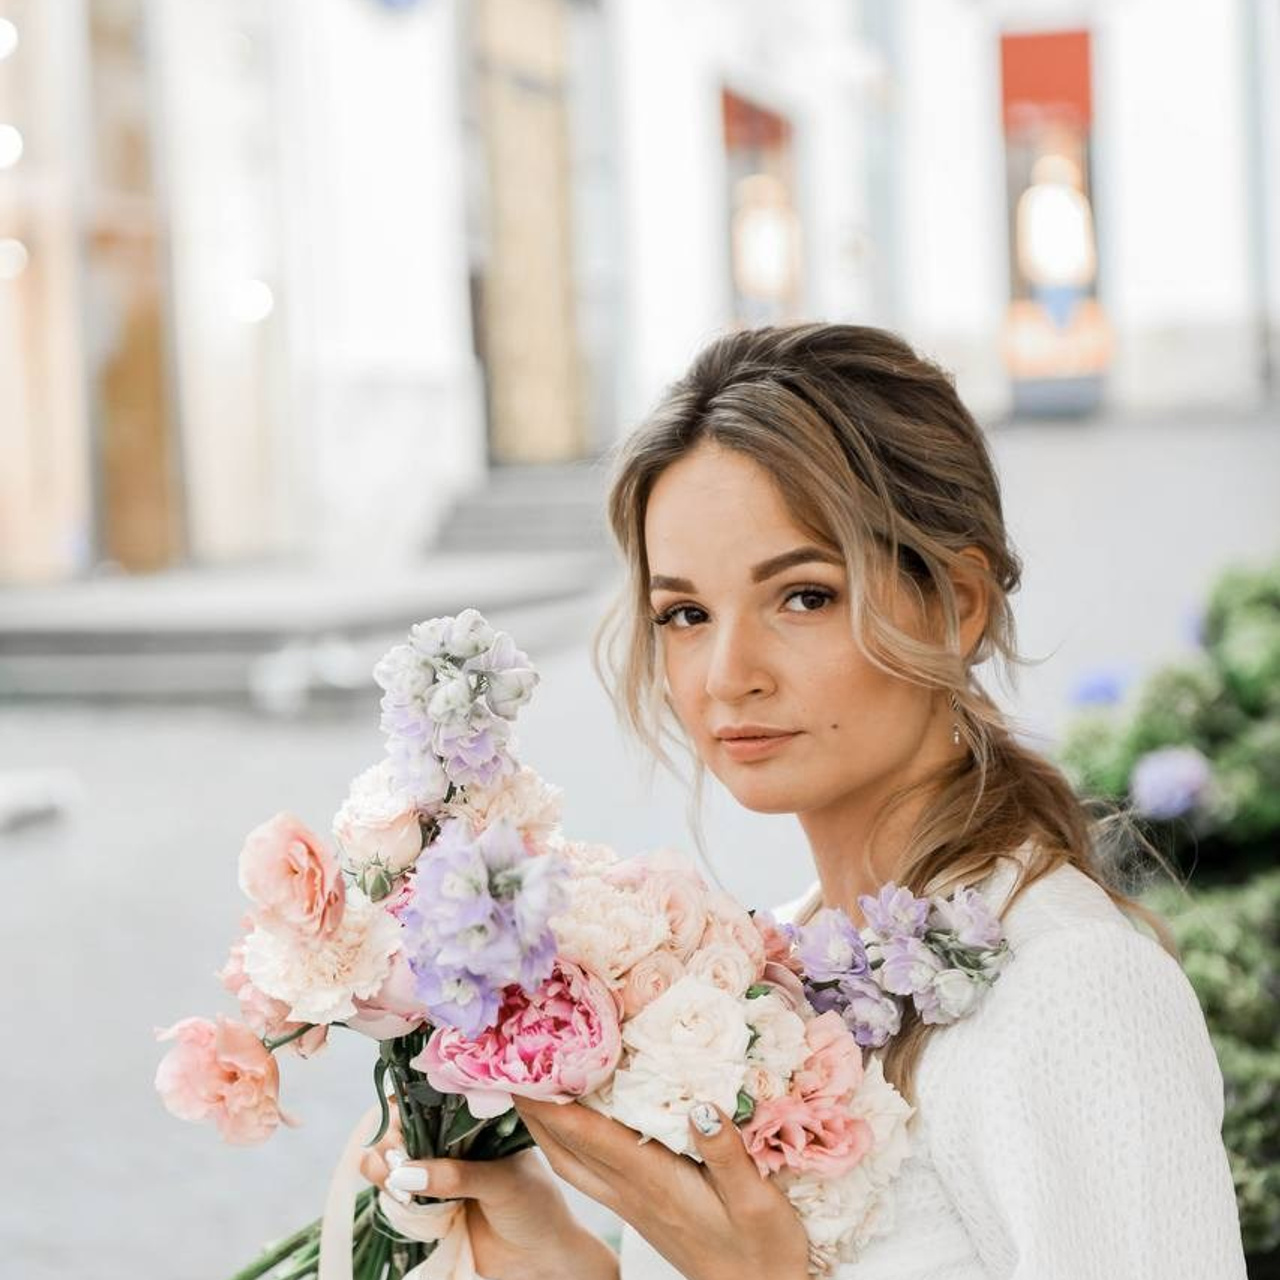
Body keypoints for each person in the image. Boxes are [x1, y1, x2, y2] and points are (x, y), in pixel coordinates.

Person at [361, 323, 1248, 1279]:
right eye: (686, 615)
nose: (727, 676)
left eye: (804, 597)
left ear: (959, 603)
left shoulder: (1070, 993)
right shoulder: (764, 965)